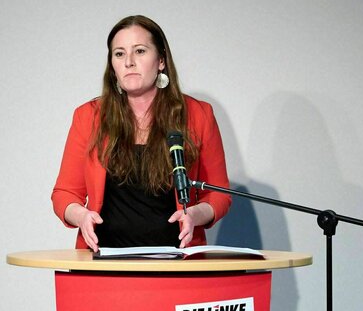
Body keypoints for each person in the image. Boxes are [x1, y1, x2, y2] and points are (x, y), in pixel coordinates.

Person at [51, 15, 231, 251]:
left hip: (177, 263)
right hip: (104, 262)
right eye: (119, 54)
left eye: (140, 51)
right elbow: (64, 194)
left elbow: (219, 195)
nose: (129, 62)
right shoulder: (89, 117)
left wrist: (195, 215)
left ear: (161, 61)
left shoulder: (198, 115)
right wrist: (81, 216)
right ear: (112, 66)